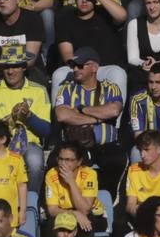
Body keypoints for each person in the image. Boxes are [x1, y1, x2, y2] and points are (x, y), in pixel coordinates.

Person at [0, 44, 50, 189]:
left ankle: (31, 202)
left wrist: (29, 116)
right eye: (6, 67)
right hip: (0, 144)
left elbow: (45, 130)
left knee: (35, 162)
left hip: (30, 144)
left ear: (24, 67)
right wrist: (11, 118)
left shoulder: (39, 90)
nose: (10, 71)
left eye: (15, 66)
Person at [53, 47, 126, 191]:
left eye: (80, 66)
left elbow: (114, 110)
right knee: (54, 162)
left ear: (94, 67)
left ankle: (109, 199)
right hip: (75, 145)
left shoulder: (111, 88)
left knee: (117, 159)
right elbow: (62, 115)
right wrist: (97, 119)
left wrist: (81, 109)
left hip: (106, 146)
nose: (75, 69)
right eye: (73, 66)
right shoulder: (67, 89)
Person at [54, 0, 128, 98]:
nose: (84, 1)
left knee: (118, 74)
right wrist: (81, 68)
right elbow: (67, 55)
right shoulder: (66, 18)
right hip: (78, 68)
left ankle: (114, 114)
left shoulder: (105, 13)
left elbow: (122, 16)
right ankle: (62, 113)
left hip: (105, 68)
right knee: (59, 74)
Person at [43, 142, 108, 237]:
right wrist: (74, 214)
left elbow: (84, 209)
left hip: (93, 214)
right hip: (65, 213)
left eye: (68, 160)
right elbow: (52, 210)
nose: (63, 164)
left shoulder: (89, 174)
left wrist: (71, 182)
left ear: (79, 161)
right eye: (60, 159)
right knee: (51, 224)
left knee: (86, 223)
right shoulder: (51, 174)